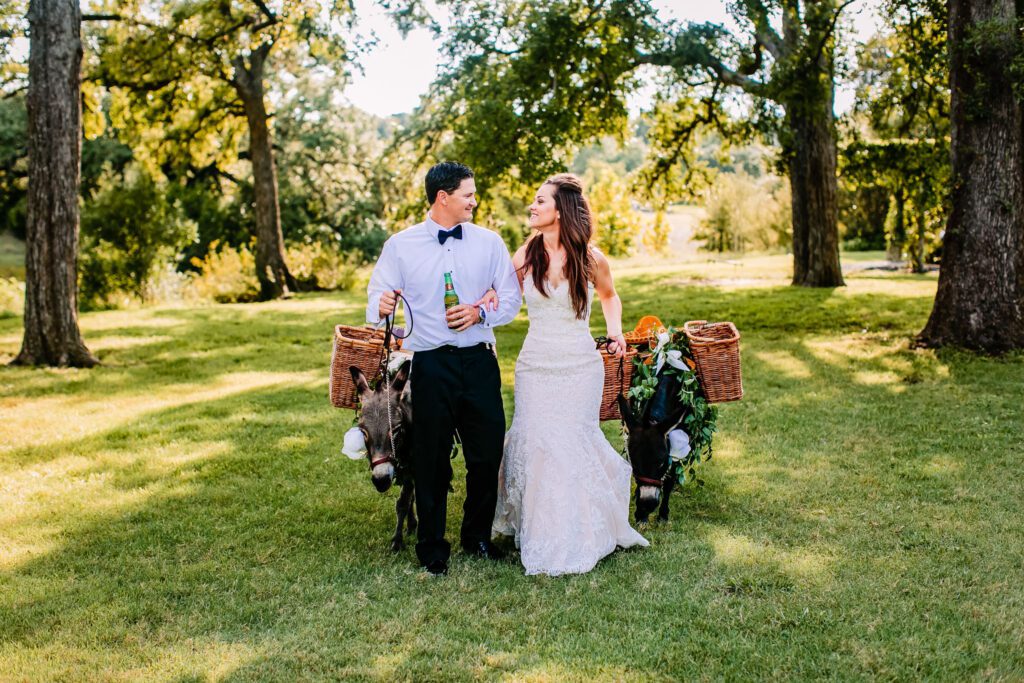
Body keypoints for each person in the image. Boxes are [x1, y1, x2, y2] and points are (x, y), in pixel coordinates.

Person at [366, 161, 521, 577]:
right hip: (430, 364)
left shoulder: (490, 243)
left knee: (486, 455)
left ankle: (478, 537)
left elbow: (510, 300)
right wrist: (382, 305)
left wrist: (478, 314)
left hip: (479, 361)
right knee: (430, 459)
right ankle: (432, 547)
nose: (475, 200)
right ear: (443, 197)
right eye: (468, 194)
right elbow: (378, 296)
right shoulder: (400, 245)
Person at [491, 172, 649, 576]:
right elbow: (499, 292)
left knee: (569, 441)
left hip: (579, 365)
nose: (533, 206)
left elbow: (610, 297)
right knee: (536, 440)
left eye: (540, 201)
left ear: (560, 212)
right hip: (535, 364)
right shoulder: (526, 253)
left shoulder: (592, 259)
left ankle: (578, 531)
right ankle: (540, 527)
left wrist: (616, 333)